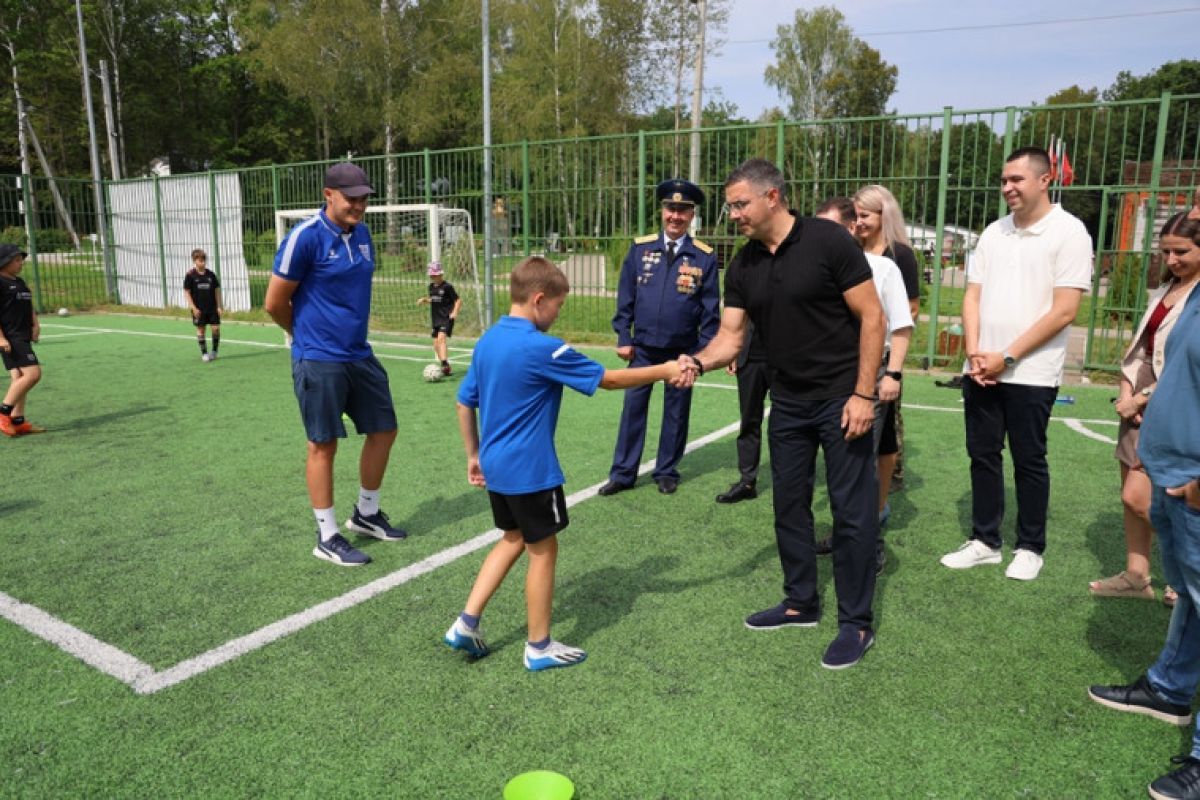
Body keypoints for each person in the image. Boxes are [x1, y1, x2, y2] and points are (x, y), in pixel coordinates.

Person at [676, 159, 886, 670]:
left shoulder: (829, 242)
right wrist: (697, 362)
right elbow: (730, 338)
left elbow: (873, 316)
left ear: (773, 197)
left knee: (852, 515)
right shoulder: (743, 264)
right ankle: (800, 602)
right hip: (787, 403)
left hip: (842, 400)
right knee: (788, 505)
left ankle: (855, 622)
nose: (733, 215)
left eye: (740, 204)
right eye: (729, 207)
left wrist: (863, 395)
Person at [444, 256, 683, 671]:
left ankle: (466, 622)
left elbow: (465, 402)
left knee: (512, 539)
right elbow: (607, 379)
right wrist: (665, 368)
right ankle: (538, 645)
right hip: (530, 470)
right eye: (558, 306)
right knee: (543, 549)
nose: (557, 315)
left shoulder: (489, 340)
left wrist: (473, 454)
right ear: (539, 299)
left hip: (497, 465)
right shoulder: (542, 347)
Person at [940, 146, 1093, 581]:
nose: (1007, 187)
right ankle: (985, 541)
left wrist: (1006, 356)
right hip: (982, 370)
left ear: (1045, 181)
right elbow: (972, 295)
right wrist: (975, 352)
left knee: (1029, 459)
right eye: (1004, 180)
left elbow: (1064, 311)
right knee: (982, 455)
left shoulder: (1070, 232)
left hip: (1030, 371)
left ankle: (1030, 546)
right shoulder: (993, 232)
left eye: (1016, 180)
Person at [1086, 264, 1200, 800]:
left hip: (1193, 480)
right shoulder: (1191, 294)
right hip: (1175, 473)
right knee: (1193, 601)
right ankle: (1169, 689)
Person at [264, 162, 407, 567]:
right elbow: (274, 303)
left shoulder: (363, 235)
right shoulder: (304, 239)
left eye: (364, 198)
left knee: (384, 429)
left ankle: (366, 513)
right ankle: (327, 535)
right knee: (322, 444)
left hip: (359, 353)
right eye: (352, 198)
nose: (360, 205)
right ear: (329, 194)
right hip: (319, 359)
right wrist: (305, 337)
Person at [1090, 213, 1200, 604]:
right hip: (1135, 403)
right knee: (1129, 494)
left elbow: (1183, 364)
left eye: (1181, 251)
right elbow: (1141, 348)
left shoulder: (1196, 299)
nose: (1171, 259)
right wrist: (1125, 392)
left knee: (1148, 498)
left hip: (1169, 406)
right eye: (1165, 250)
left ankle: (1181, 573)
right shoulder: (1166, 289)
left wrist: (1141, 398)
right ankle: (1138, 576)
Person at [598, 177, 719, 496]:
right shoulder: (640, 249)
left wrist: (701, 353)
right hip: (642, 349)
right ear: (662, 210)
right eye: (671, 208)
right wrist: (623, 335)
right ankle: (623, 473)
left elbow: (710, 312)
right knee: (632, 410)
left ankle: (666, 469)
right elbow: (625, 297)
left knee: (677, 413)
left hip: (682, 352)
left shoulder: (704, 256)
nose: (675, 216)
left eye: (683, 210)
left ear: (692, 215)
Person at [813, 197, 913, 574]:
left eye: (832, 227)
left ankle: (870, 545)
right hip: (825, 377)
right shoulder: (812, 266)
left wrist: (893, 375)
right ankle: (844, 536)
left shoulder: (883, 268)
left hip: (869, 377)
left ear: (853, 227)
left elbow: (900, 327)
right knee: (840, 467)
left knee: (862, 465)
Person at [853, 185, 921, 494]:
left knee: (888, 419)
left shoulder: (899, 255)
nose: (859, 222)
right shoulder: (853, 251)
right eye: (855, 215)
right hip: (853, 352)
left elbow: (911, 308)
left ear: (884, 215)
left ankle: (889, 478)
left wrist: (882, 335)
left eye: (865, 215)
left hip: (884, 352)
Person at [714, 322, 767, 504]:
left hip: (785, 358)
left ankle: (791, 484)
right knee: (749, 421)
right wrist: (732, 351)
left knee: (787, 424)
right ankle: (747, 483)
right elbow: (737, 314)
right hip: (749, 356)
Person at [0, 245, 45, 437]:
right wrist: (0, 338)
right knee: (33, 374)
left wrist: (35, 325)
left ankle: (18, 421)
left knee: (19, 377)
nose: (21, 263)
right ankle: (3, 413)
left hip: (23, 335)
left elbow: (29, 306)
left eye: (21, 259)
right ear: (4, 262)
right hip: (11, 337)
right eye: (17, 260)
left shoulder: (19, 282)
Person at [415, 260, 461, 376]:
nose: (433, 277)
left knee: (441, 339)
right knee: (436, 344)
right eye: (431, 275)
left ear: (441, 274)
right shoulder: (431, 287)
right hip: (436, 318)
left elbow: (458, 300)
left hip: (446, 317)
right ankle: (445, 366)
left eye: (435, 275)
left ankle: (445, 364)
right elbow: (434, 299)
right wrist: (425, 300)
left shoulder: (447, 287)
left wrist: (455, 312)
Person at [183, 248, 225, 362]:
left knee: (216, 329)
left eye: (203, 260)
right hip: (199, 309)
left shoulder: (211, 275)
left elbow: (216, 290)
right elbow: (187, 292)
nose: (202, 262)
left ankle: (214, 351)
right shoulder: (190, 275)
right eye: (199, 260)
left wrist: (219, 306)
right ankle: (204, 353)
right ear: (194, 261)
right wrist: (193, 308)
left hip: (212, 308)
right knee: (201, 330)